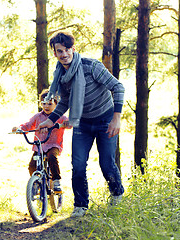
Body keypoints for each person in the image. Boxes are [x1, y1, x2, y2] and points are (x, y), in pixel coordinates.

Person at [38, 31, 125, 217]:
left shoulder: (91, 66)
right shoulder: (60, 73)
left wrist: (116, 118)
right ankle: (81, 205)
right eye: (60, 51)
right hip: (82, 123)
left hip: (105, 120)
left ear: (73, 49)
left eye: (67, 50)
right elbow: (65, 101)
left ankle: (117, 195)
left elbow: (118, 87)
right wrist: (50, 120)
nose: (64, 54)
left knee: (107, 163)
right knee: (77, 165)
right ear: (55, 53)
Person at [12, 89, 71, 192]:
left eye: (49, 104)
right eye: (44, 104)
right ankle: (35, 183)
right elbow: (28, 125)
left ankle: (56, 180)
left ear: (56, 104)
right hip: (39, 145)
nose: (46, 106)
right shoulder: (38, 116)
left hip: (53, 145)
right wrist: (19, 128)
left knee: (52, 158)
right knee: (32, 166)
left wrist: (65, 124)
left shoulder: (60, 117)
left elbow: (69, 123)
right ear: (40, 104)